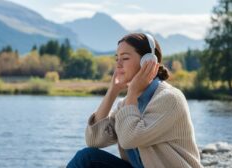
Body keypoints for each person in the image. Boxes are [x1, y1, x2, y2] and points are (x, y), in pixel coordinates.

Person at [67, 33, 202, 168]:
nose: (118, 64)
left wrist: (132, 93)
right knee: (87, 157)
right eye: (117, 59)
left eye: (125, 58)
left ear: (148, 61)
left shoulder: (170, 99)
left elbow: (129, 139)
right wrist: (113, 91)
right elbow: (94, 141)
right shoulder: (126, 104)